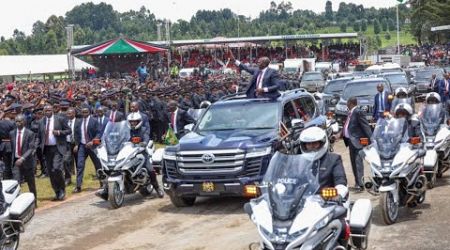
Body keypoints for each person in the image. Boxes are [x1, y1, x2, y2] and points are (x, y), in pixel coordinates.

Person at [127, 112, 164, 198]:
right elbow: (122, 138)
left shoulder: (143, 129)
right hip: (128, 154)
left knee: (150, 169)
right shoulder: (127, 130)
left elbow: (146, 137)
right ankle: (106, 190)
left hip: (141, 153)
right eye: (131, 121)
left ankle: (157, 188)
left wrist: (144, 142)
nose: (133, 123)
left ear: (139, 121)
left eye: (135, 121)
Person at [38, 105, 71, 201]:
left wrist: (59, 132)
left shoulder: (60, 119)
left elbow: (69, 130)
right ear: (44, 111)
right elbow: (39, 136)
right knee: (51, 172)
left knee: (56, 168)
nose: (47, 111)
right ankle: (57, 191)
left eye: (49, 110)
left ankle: (62, 189)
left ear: (52, 110)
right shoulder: (41, 122)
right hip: (47, 149)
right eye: (45, 110)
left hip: (58, 147)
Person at [342, 97, 372, 192]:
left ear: (350, 103)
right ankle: (357, 183)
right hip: (351, 141)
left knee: (358, 163)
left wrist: (371, 139)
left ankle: (361, 184)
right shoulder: (350, 113)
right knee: (353, 163)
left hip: (358, 142)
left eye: (347, 103)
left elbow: (365, 126)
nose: (346, 104)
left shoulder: (358, 112)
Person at [73, 106, 101, 193]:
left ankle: (103, 183)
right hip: (82, 146)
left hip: (92, 146)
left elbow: (99, 133)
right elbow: (76, 133)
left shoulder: (94, 121)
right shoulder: (79, 122)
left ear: (89, 112)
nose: (84, 114)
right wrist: (77, 144)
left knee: (98, 165)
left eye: (86, 112)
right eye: (83, 112)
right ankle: (78, 186)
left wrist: (93, 142)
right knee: (80, 165)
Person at [10, 114, 37, 201]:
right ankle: (17, 202)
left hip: (27, 162)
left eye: (20, 121)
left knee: (31, 183)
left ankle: (34, 201)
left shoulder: (30, 133)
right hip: (16, 162)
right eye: (16, 121)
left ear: (24, 122)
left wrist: (22, 158)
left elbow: (31, 148)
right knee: (16, 183)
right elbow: (12, 147)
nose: (18, 123)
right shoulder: (12, 133)